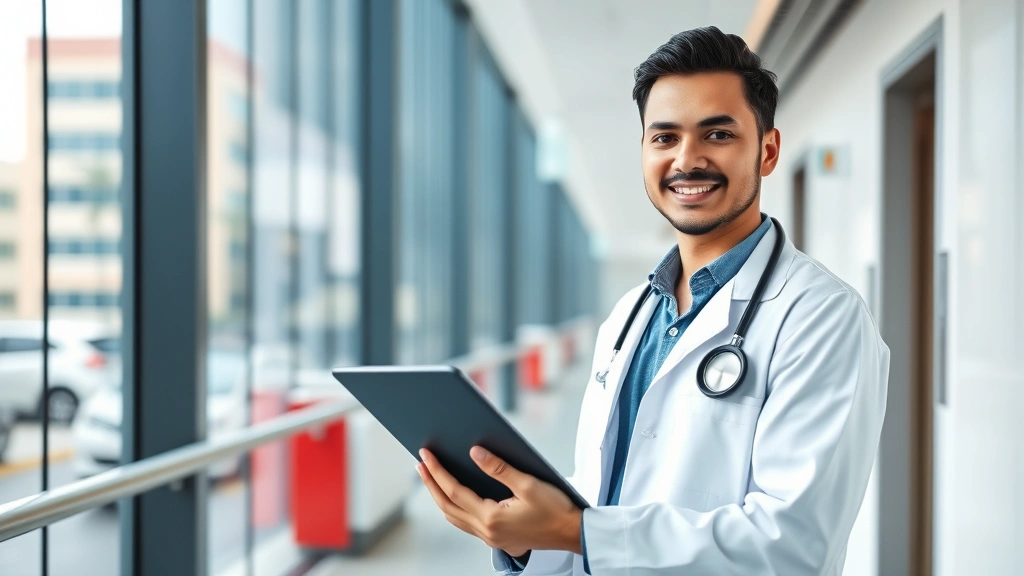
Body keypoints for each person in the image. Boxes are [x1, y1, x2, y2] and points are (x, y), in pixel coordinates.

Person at [416, 26, 889, 575]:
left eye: (717, 134)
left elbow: (792, 546)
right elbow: (602, 494)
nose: (687, 160)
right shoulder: (629, 315)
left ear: (767, 150)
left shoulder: (823, 317)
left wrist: (576, 531)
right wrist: (527, 538)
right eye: (664, 137)